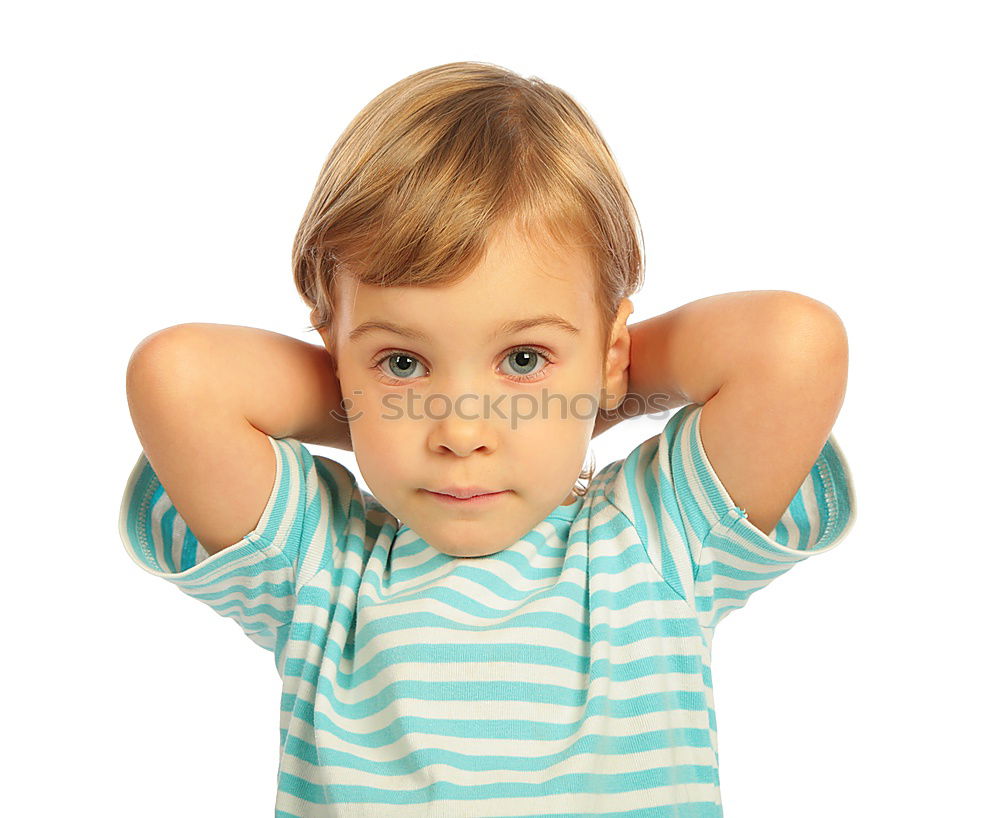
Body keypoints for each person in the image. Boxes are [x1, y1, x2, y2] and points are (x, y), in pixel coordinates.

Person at [119, 60, 857, 817]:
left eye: (524, 359)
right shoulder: (318, 571)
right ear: (339, 361)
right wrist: (401, 399)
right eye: (402, 362)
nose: (463, 430)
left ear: (610, 354)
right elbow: (180, 378)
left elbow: (791, 347)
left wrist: (580, 398)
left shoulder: (658, 545)